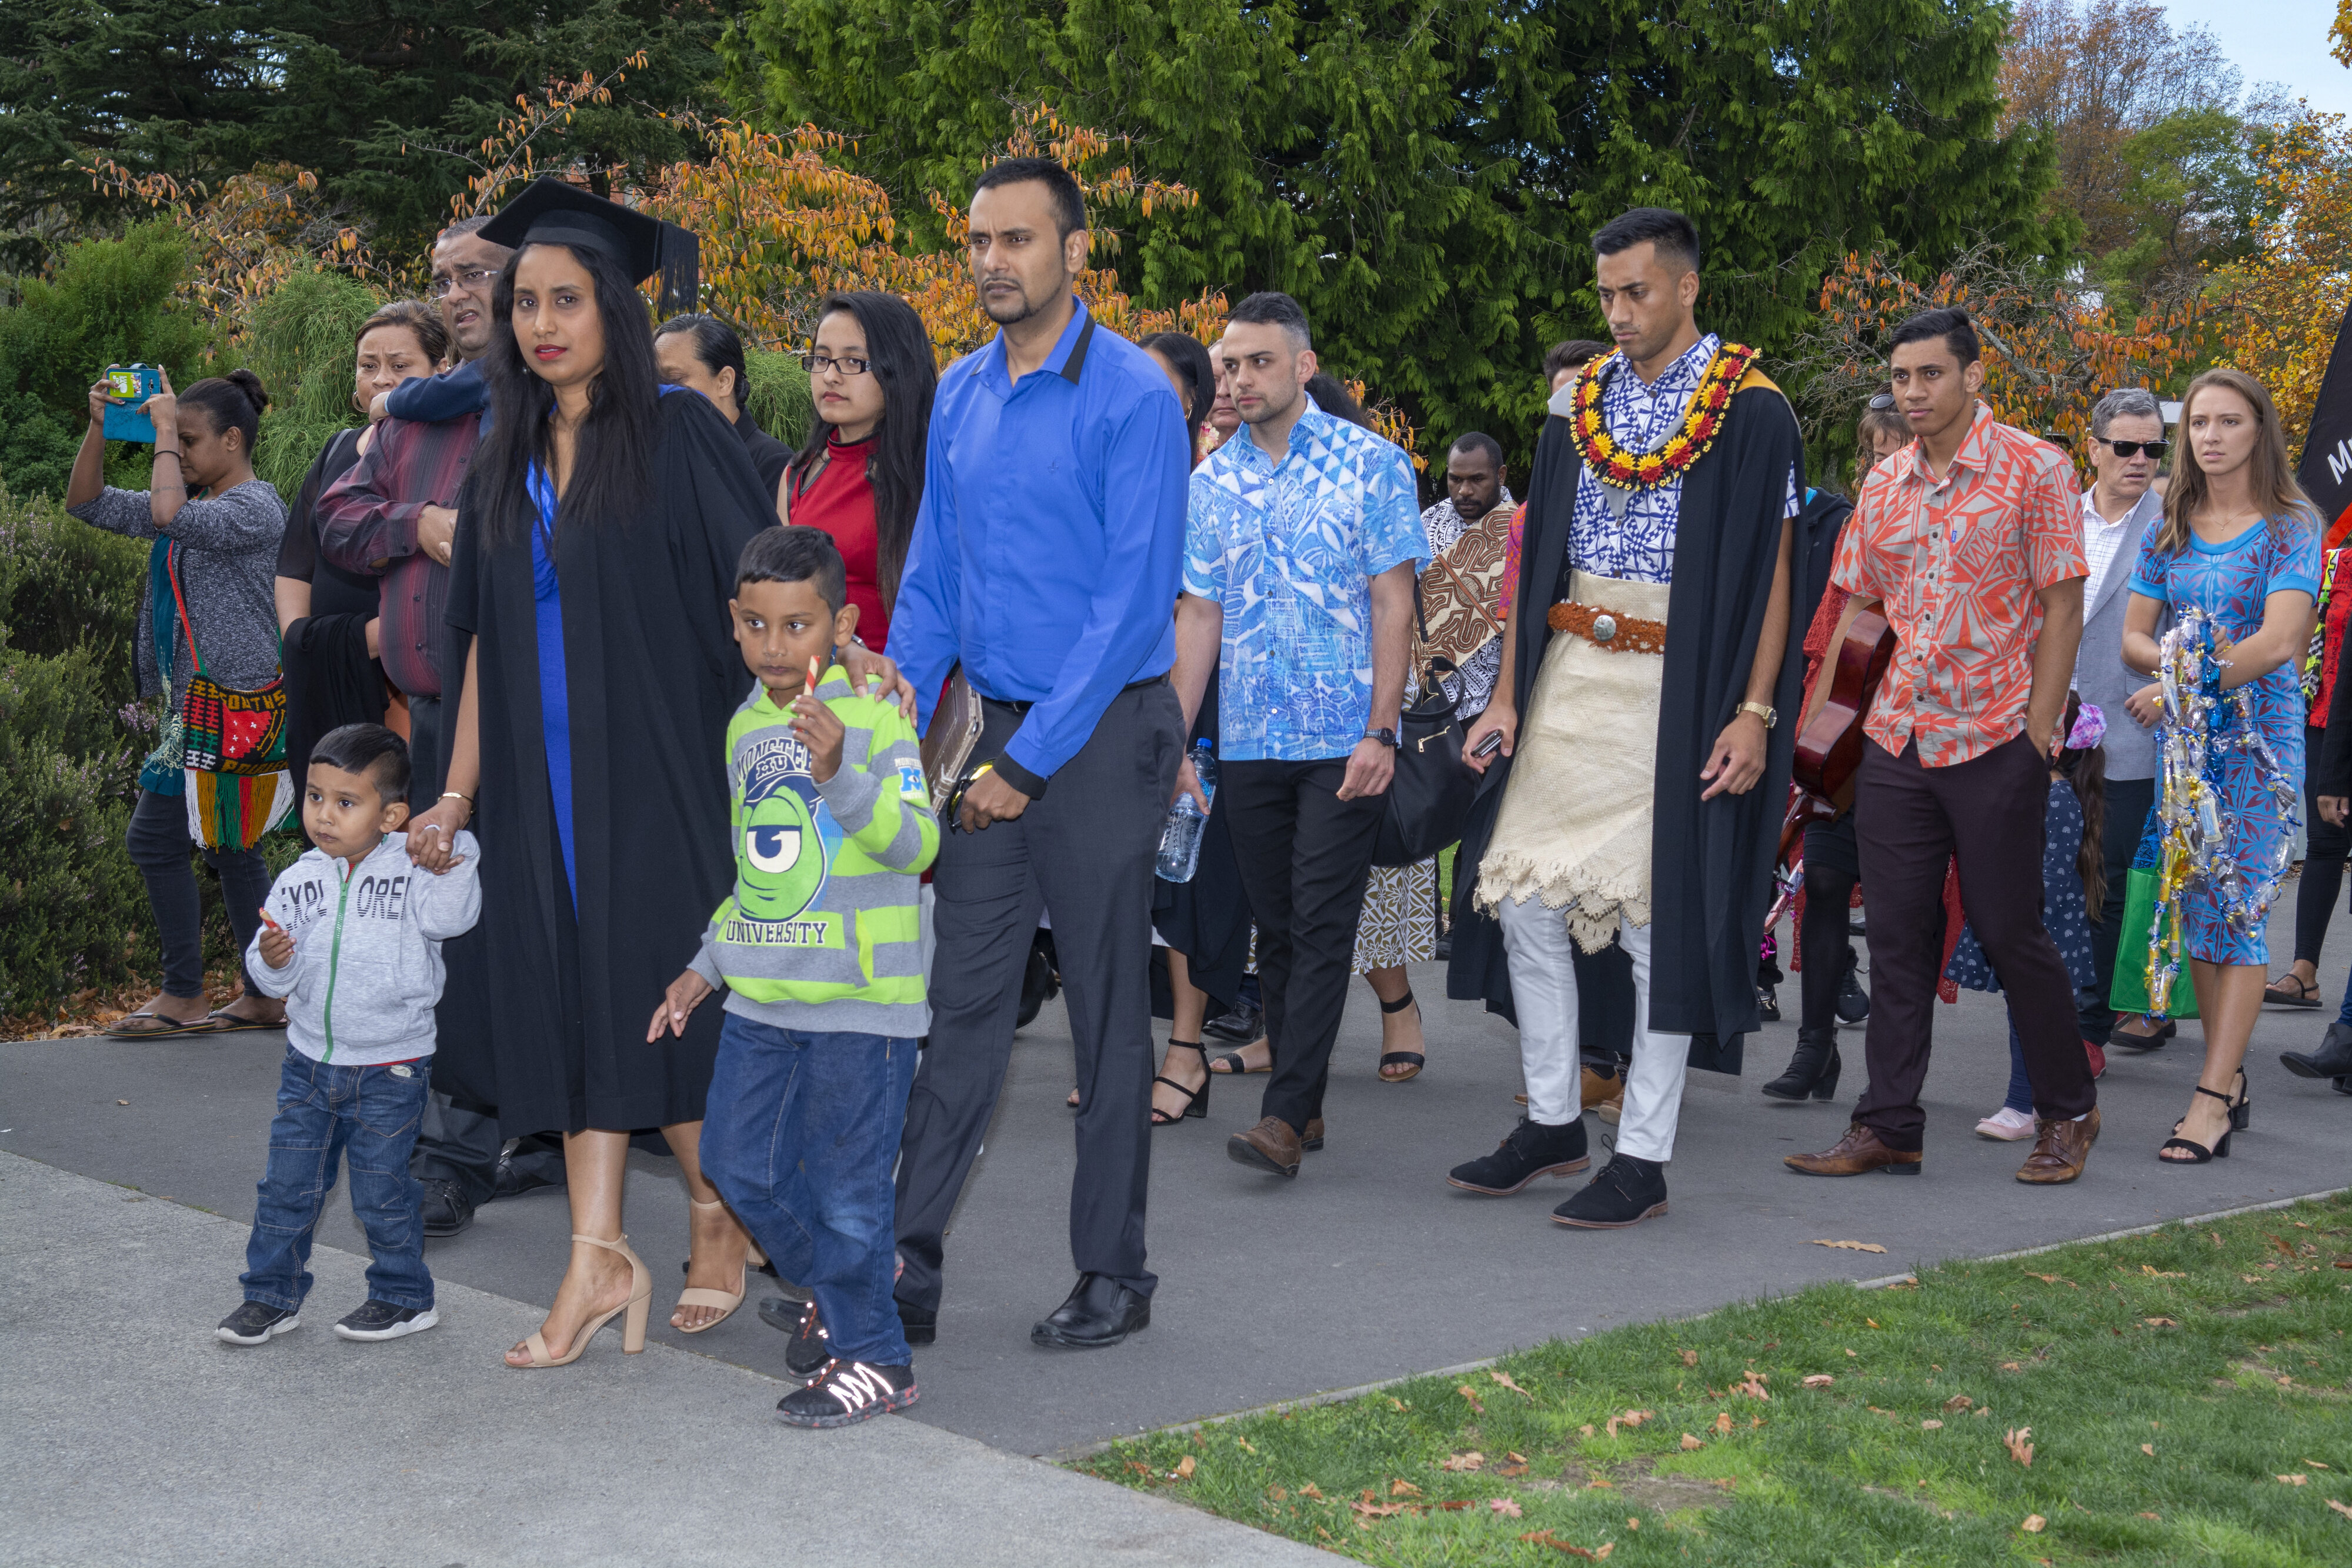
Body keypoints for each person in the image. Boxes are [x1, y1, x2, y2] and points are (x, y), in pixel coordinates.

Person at [395, 178, 784, 1366]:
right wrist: (456, 793)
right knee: (567, 1010)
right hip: (533, 790)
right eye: (523, 302)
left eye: (566, 299)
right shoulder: (501, 451)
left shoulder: (679, 433)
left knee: (661, 1003)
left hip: (660, 779)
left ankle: (720, 1214)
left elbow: (758, 599)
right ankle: (598, 1255)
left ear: (612, 306)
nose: (541, 322)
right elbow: (476, 652)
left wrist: (823, 700)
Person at [886, 157, 1189, 1351]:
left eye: (1017, 239)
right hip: (991, 730)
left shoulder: (1130, 397)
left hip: (1105, 730)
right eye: (976, 241)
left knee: (1110, 1011)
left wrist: (1029, 763)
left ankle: (1114, 1272)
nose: (992, 261)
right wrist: (894, 725)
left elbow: (1129, 605)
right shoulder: (958, 393)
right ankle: (903, 1265)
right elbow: (933, 587)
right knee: (961, 1003)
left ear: (1074, 249)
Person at [1448, 208, 1801, 1225]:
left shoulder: (1750, 407)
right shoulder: (1576, 400)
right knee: (1519, 899)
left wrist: (1751, 710)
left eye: (1634, 293)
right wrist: (1509, 691)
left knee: (1652, 923)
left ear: (1685, 287)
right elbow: (1533, 561)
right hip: (1567, 666)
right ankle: (1554, 1119)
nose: (1616, 313)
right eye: (1604, 294)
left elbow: (1775, 570)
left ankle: (1641, 1154)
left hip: (1678, 683)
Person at [1789, 306, 2099, 1185]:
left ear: (1971, 376)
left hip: (1994, 735)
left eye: (1929, 374)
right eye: (1899, 377)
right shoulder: (1884, 482)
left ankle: (2068, 1109)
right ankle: (1887, 1123)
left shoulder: (2035, 468)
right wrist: (1820, 735)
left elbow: (2062, 606)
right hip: (1894, 738)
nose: (1912, 392)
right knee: (1893, 936)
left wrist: (2036, 737)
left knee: (2007, 930)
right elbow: (1855, 607)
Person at [650, 527, 939, 1427]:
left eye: (798, 625)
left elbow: (916, 844)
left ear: (841, 622)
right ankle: (853, 1278)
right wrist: (704, 966)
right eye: (755, 625)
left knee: (851, 1194)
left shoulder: (874, 710)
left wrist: (839, 772)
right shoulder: (744, 724)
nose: (775, 647)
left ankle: (874, 1360)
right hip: (764, 995)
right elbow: (758, 874)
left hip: (863, 1003)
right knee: (738, 1163)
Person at [318, 215, 556, 1238]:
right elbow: (334, 518)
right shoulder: (404, 423)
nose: (461, 291)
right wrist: (410, 525)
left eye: (481, 274)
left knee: (514, 937)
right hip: (425, 711)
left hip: (524, 719)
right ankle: (472, 1144)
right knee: (442, 935)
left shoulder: (545, 403)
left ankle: (499, 1138)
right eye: (445, 277)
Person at [1170, 293, 1424, 1180]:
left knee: (1320, 919)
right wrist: (1175, 739)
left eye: (1256, 363)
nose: (1236, 380)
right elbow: (1198, 616)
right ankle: (1306, 1102)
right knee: (1273, 926)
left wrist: (1381, 729)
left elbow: (1395, 602)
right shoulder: (1208, 483)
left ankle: (1281, 1119)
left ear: (1302, 366)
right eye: (1227, 366)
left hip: (1342, 738)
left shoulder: (1373, 465)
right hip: (1247, 740)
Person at [215, 723, 482, 1347]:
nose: (323, 816)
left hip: (391, 1065)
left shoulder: (416, 870)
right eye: (314, 797)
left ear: (391, 814)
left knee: (381, 1189)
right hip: (308, 1064)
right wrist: (275, 960)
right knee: (286, 1185)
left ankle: (403, 1296)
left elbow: (454, 916)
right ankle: (270, 1296)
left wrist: (451, 847)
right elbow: (264, 966)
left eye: (345, 802)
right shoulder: (299, 879)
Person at [2120, 369, 2319, 1162]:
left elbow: (2278, 641)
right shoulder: (2165, 523)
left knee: (2237, 911)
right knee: (2197, 908)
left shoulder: (2287, 524)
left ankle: (2207, 1095)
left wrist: (2182, 678)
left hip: (2256, 748)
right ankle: (2225, 1074)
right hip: (2186, 750)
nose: (2207, 436)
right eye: (2196, 422)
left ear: (2257, 430)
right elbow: (2133, 636)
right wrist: (2174, 671)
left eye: (2226, 421)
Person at [69, 368, 289, 1039]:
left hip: (231, 707)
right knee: (232, 849)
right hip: (197, 709)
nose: (180, 453)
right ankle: (264, 992)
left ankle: (184, 991)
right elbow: (87, 502)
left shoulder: (254, 508)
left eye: (190, 440)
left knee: (155, 840)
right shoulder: (194, 507)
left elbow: (167, 514)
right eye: (176, 440)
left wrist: (162, 427)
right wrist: (100, 426)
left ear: (232, 440)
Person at [1759, 401, 1908, 1100]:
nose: (1883, 466)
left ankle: (1894, 1073)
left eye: (1896, 452)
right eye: (1874, 455)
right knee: (1820, 884)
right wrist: (1811, 740)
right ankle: (1814, 1046)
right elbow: (1829, 641)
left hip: (1920, 740)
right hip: (1848, 739)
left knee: (1902, 907)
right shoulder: (1859, 527)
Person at [1133, 329, 1257, 1125]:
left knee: (1185, 873)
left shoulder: (1214, 485)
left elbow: (1201, 612)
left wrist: (1177, 728)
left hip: (1193, 694)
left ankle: (1184, 1050)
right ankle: (1122, 1052)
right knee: (1118, 880)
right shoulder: (1107, 472)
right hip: (1106, 691)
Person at [277, 301, 448, 812]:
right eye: (368, 365)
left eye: (400, 366)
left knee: (399, 817)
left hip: (408, 676)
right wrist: (301, 640)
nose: (380, 379)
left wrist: (382, 640)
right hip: (327, 670)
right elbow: (294, 563)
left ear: (442, 371)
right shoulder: (337, 449)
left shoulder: (449, 454)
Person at [2066, 387, 2173, 1053]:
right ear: (2094, 445)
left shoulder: (2175, 525)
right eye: (2126, 446)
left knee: (2103, 881)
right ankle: (2050, 1005)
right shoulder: (2053, 515)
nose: (2139, 459)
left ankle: (2087, 1029)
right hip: (2041, 725)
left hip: (2128, 730)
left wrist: (2168, 683)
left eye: (2154, 447)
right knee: (2046, 877)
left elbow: (2206, 623)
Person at [1951, 695, 2106, 1137]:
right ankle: (2044, 1101)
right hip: (2033, 930)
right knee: (2032, 1019)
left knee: (2028, 1018)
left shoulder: (2055, 800)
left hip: (2042, 933)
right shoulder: (2041, 793)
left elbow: (2047, 881)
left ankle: (2022, 1106)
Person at [783, 291, 938, 655]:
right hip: (815, 691)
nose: (830, 376)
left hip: (901, 694)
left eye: (853, 361)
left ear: (898, 369)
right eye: (821, 359)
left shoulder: (931, 474)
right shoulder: (798, 474)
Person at [655, 313, 795, 501]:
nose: (659, 390)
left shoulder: (772, 462)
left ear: (724, 381)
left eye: (675, 379)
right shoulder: (666, 459)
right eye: (653, 380)